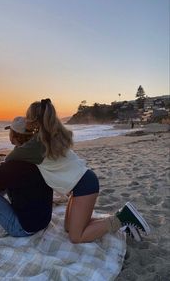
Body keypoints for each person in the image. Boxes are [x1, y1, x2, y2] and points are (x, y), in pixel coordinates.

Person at [19, 98, 150, 243]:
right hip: (82, 183)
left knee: (76, 236)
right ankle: (122, 221)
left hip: (84, 185)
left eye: (27, 117)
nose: (25, 120)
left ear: (33, 119)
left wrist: (22, 132)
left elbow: (11, 158)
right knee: (69, 227)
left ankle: (123, 218)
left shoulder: (37, 143)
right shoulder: (53, 134)